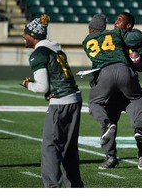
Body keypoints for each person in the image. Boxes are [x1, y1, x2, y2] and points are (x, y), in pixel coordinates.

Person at [82, 14, 142, 171]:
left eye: (120, 20)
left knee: (138, 116)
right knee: (111, 122)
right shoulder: (114, 35)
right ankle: (110, 157)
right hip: (116, 87)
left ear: (128, 26)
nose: (115, 23)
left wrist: (136, 60)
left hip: (125, 86)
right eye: (116, 20)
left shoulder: (125, 38)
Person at [21, 14, 83, 187]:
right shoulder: (56, 49)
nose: (23, 36)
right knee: (69, 148)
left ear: (33, 36)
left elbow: (41, 86)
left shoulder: (38, 54)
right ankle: (75, 186)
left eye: (25, 33)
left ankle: (52, 187)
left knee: (50, 148)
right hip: (74, 99)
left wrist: (28, 85)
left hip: (61, 103)